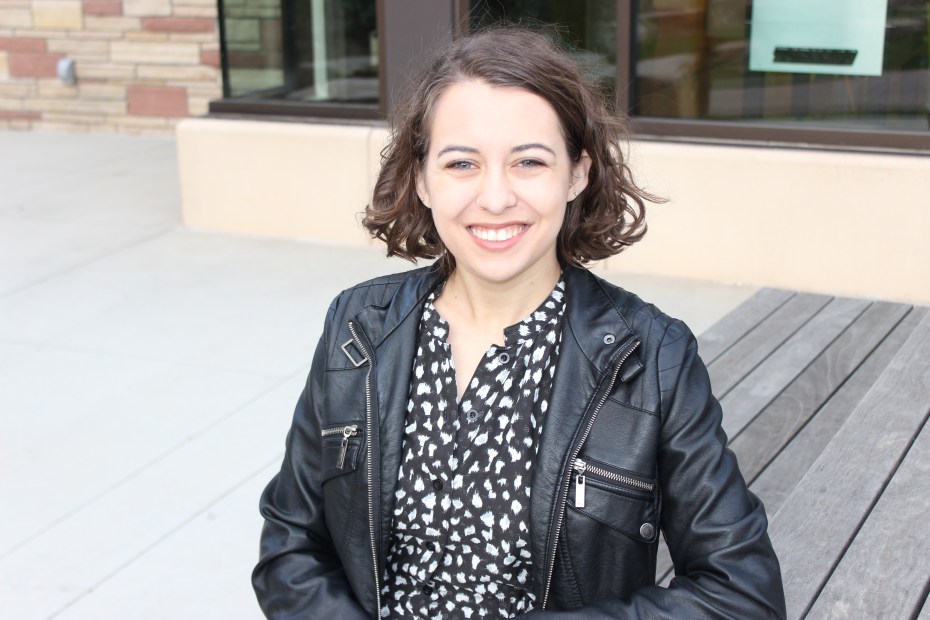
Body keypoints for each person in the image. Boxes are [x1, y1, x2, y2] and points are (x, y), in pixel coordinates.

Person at [252, 27, 786, 619]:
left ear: (577, 174)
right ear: (423, 178)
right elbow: (290, 545)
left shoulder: (651, 358)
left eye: (529, 161)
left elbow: (742, 595)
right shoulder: (358, 328)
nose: (496, 196)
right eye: (462, 163)